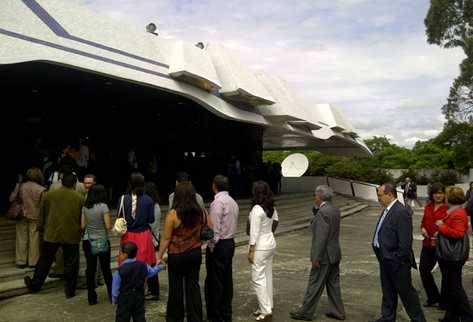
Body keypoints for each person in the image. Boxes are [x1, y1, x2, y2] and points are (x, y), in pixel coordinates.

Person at [369, 183, 425, 322]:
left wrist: (397, 258)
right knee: (388, 291)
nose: (378, 198)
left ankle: (418, 319)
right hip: (384, 258)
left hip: (397, 261)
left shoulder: (400, 211)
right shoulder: (387, 209)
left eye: (380, 195)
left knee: (406, 294)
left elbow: (405, 242)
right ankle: (388, 317)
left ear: (390, 194)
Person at [157, 182, 212, 322]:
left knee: (176, 288)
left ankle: (175, 317)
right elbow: (211, 228)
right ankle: (195, 317)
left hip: (177, 255)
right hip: (194, 253)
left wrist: (159, 256)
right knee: (193, 285)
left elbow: (166, 238)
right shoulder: (201, 212)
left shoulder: (173, 214)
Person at [24, 172, 84, 298]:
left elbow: (42, 213)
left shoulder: (49, 195)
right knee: (71, 263)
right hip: (71, 233)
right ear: (74, 183)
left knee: (45, 260)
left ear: (61, 182)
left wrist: (40, 227)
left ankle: (35, 284)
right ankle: (70, 290)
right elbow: (81, 217)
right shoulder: (79, 198)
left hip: (52, 232)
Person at [290, 185, 345, 321]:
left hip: (324, 255)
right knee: (333, 284)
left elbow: (320, 238)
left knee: (315, 283)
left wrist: (316, 257)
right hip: (334, 252)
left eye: (315, 195)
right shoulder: (334, 210)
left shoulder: (323, 213)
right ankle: (338, 311)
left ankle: (306, 311)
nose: (314, 197)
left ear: (319, 196)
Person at [205, 175, 239, 322]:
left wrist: (211, 246)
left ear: (214, 186)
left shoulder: (217, 202)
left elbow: (214, 230)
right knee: (226, 279)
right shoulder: (232, 202)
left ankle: (216, 315)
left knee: (215, 281)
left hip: (220, 244)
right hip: (230, 242)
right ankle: (226, 312)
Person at [436, 187, 473, 322]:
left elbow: (458, 233)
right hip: (452, 255)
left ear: (449, 198)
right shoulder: (455, 211)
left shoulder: (457, 213)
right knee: (452, 286)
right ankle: (451, 317)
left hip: (453, 256)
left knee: (455, 287)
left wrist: (441, 226)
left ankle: (467, 316)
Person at [248, 181, 278, 322]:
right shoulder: (271, 207)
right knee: (267, 276)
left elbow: (254, 232)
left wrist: (251, 250)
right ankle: (266, 306)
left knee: (257, 278)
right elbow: (276, 222)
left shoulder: (256, 209)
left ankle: (266, 312)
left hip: (260, 246)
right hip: (270, 243)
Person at [112, 242, 163, 322]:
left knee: (122, 318)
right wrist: (160, 267)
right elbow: (151, 272)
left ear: (125, 255)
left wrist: (114, 299)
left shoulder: (119, 271)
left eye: (120, 253)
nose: (119, 255)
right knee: (139, 316)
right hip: (139, 296)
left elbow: (115, 288)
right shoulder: (143, 265)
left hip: (125, 298)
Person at [81, 184, 113, 305]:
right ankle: (112, 295)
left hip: (89, 242)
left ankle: (91, 297)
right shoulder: (103, 207)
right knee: (106, 270)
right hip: (103, 241)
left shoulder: (85, 207)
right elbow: (108, 226)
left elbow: (82, 226)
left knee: (91, 270)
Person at [419, 183, 448, 308]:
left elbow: (450, 225)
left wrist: (441, 231)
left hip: (442, 245)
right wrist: (422, 229)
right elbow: (423, 222)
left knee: (445, 273)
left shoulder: (448, 208)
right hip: (427, 243)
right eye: (436, 193)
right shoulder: (428, 207)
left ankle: (444, 301)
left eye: (441, 193)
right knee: (424, 270)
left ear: (444, 194)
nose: (438, 195)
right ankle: (433, 297)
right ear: (432, 195)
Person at [10, 167, 46, 268]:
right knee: (34, 239)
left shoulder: (20, 186)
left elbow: (11, 198)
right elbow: (43, 206)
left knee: (21, 238)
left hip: (21, 215)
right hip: (35, 216)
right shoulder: (41, 189)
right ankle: (33, 262)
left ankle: (21, 261)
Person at [118, 173, 156, 268]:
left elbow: (120, 218)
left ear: (130, 184)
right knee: (144, 264)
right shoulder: (148, 200)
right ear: (143, 184)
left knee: (127, 264)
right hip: (144, 235)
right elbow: (151, 219)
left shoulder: (123, 199)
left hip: (127, 235)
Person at [144, 182, 161, 300]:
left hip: (151, 240)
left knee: (151, 265)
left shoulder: (153, 207)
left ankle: (154, 291)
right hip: (153, 239)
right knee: (150, 265)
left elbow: (150, 225)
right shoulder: (156, 206)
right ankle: (152, 289)